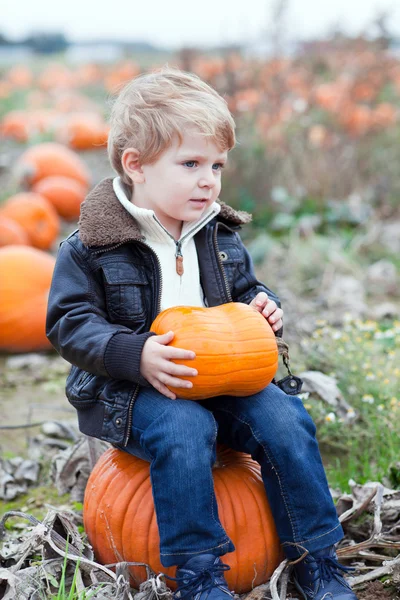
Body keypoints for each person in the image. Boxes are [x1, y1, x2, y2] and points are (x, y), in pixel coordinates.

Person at [46, 66, 358, 600]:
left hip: (223, 380)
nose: (208, 179)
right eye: (190, 164)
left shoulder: (220, 236)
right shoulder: (91, 246)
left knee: (285, 418)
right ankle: (198, 572)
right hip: (135, 390)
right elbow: (68, 323)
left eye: (216, 164)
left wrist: (265, 309)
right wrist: (133, 353)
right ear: (136, 165)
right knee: (183, 430)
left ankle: (316, 556)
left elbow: (245, 293)